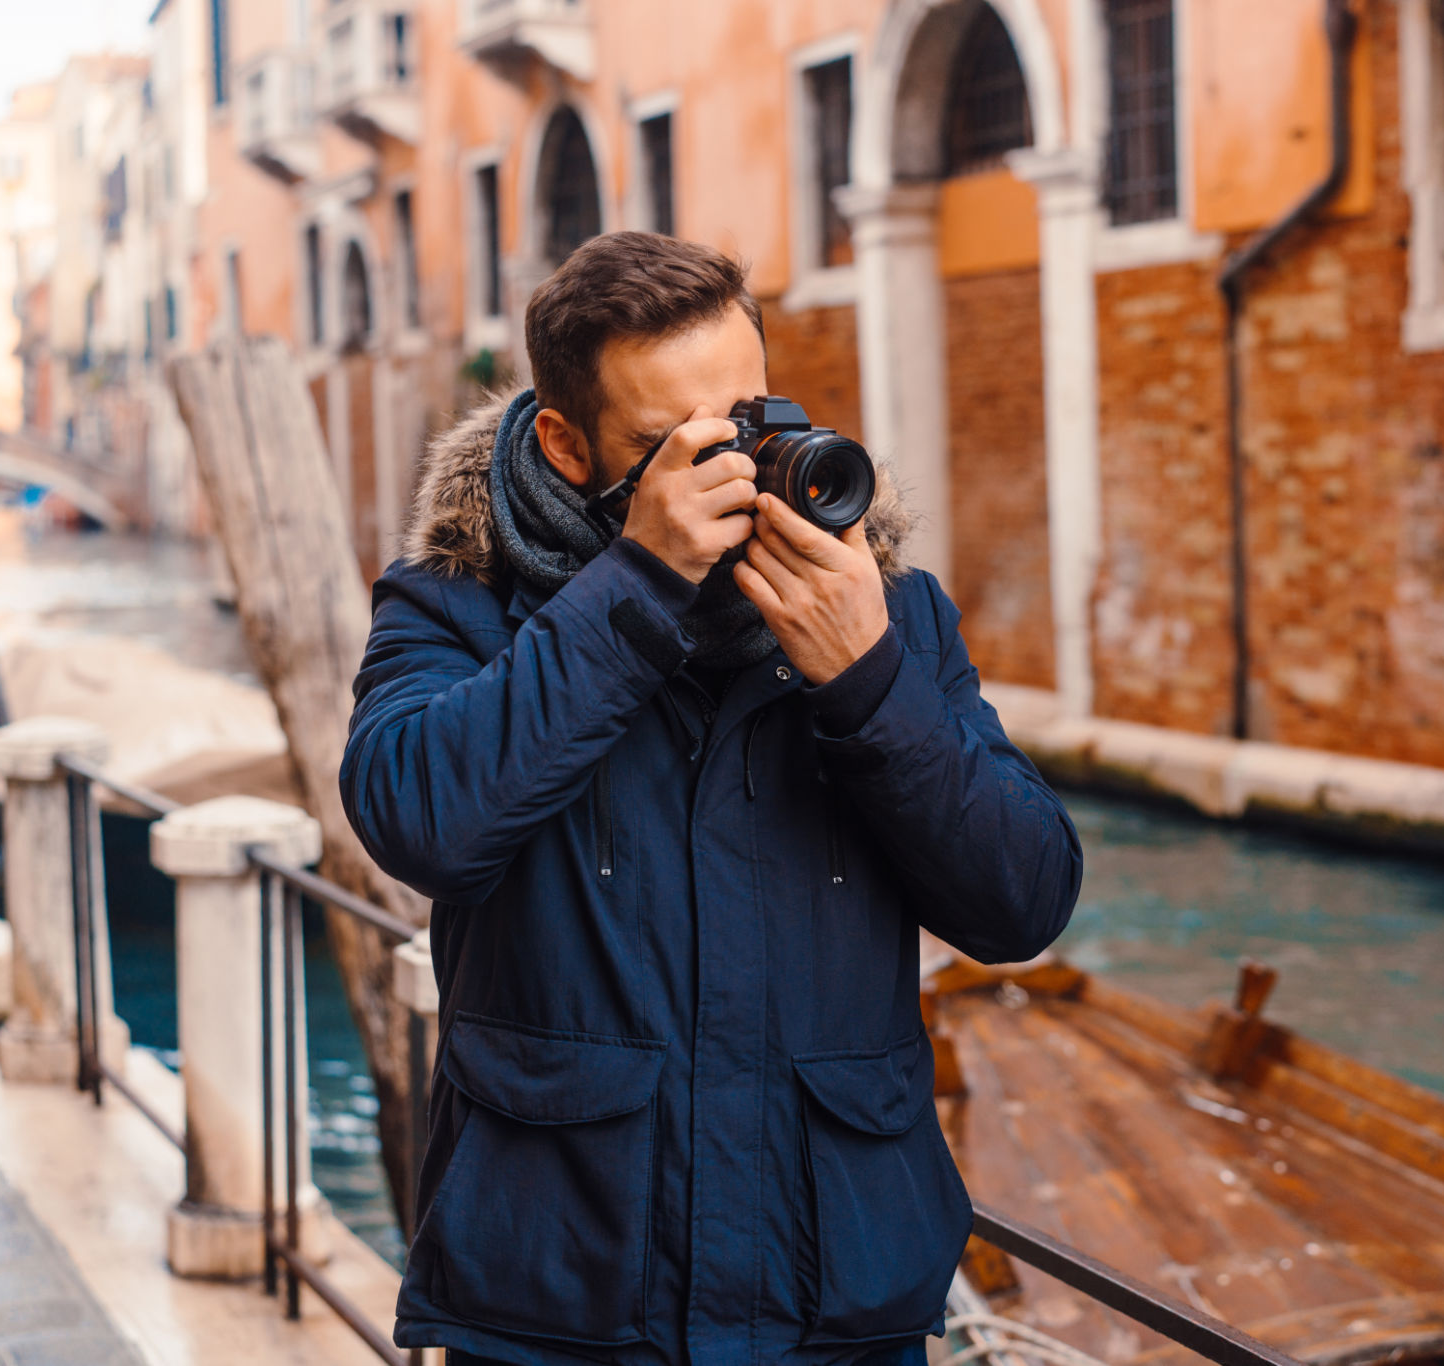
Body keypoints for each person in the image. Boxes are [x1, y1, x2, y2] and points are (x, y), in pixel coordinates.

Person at [339, 231, 1083, 1366]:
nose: (732, 468)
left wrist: (870, 682)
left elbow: (1023, 901)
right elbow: (416, 818)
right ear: (565, 443)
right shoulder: (458, 602)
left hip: (832, 1310)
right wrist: (636, 586)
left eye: (745, 420)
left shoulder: (893, 613)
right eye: (668, 444)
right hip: (560, 1312)